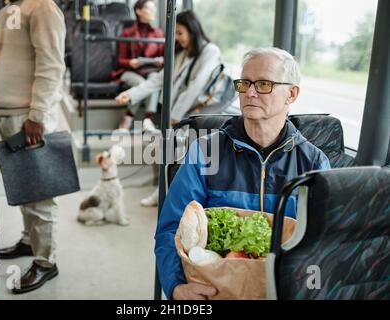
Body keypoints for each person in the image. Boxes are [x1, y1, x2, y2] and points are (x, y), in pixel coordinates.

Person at [154, 47, 331, 300]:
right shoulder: (205, 152)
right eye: (245, 82)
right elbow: (172, 228)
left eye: (263, 84)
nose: (249, 92)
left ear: (291, 94)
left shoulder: (313, 163)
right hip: (216, 290)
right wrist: (175, 287)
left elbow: (321, 245)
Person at [0, 0, 66, 294]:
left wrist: (37, 116)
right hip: (8, 113)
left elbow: (51, 64)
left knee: (39, 192)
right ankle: (29, 239)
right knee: (23, 186)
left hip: (28, 115)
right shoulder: (7, 10)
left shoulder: (43, 8)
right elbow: (2, 60)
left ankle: (46, 262)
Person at [116, 10, 222, 206]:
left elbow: (196, 86)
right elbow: (158, 79)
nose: (178, 38)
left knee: (192, 159)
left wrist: (175, 117)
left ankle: (175, 197)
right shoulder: (182, 53)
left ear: (193, 30)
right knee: (171, 152)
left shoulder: (210, 51)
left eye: (180, 33)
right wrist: (131, 94)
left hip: (201, 115)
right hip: (182, 115)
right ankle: (164, 194)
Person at [113, 0, 164, 132]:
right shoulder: (127, 33)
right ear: (138, 11)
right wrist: (130, 62)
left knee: (154, 79)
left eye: (154, 9)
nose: (153, 11)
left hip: (150, 70)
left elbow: (165, 57)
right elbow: (120, 60)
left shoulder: (158, 33)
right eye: (149, 8)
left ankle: (148, 119)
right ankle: (128, 117)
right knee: (141, 83)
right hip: (129, 71)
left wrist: (160, 60)